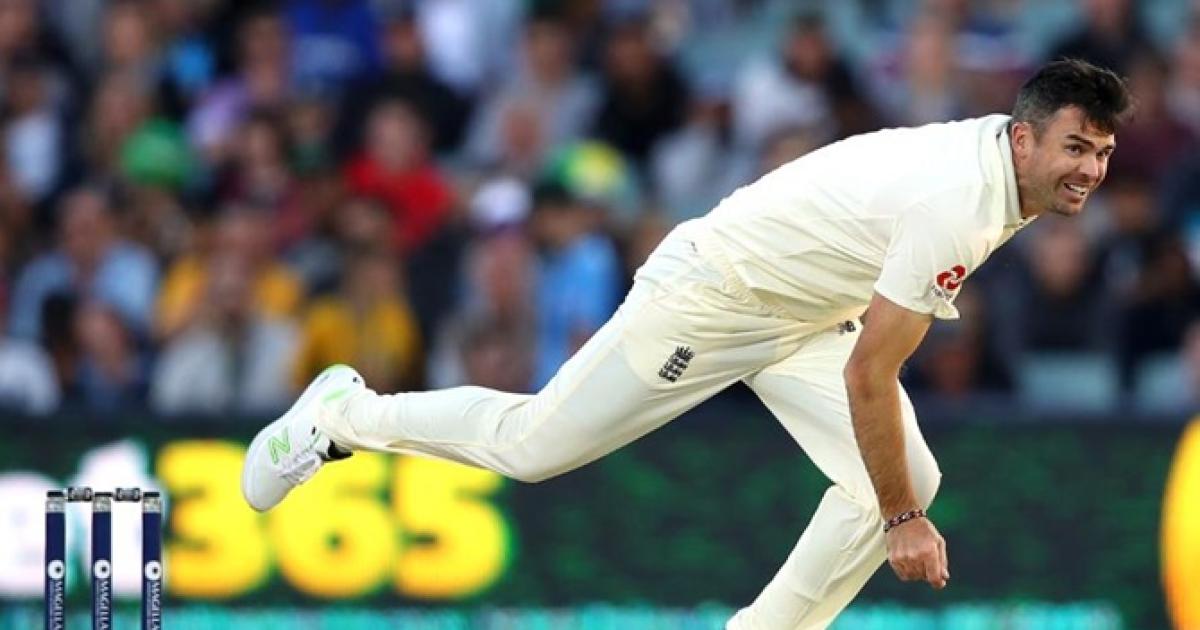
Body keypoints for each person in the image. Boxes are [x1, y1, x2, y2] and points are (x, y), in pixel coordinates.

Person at [241, 59, 1131, 629]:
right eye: (1075, 148)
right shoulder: (958, 204)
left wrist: (901, 505)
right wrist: (901, 526)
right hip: (712, 299)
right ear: (1023, 137)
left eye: (1101, 152)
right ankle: (343, 414)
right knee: (535, 447)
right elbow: (873, 373)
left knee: (908, 477)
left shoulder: (1001, 169)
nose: (1090, 170)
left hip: (803, 314)